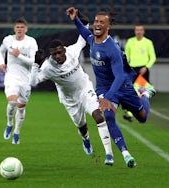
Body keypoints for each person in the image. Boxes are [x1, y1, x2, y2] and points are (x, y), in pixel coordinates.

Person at [66, 7, 156, 168]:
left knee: (142, 118)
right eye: (96, 21)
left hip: (123, 87)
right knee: (108, 117)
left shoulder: (112, 49)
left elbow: (120, 76)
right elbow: (83, 31)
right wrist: (75, 19)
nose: (97, 24)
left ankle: (145, 94)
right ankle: (126, 155)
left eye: (102, 22)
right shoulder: (92, 39)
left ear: (108, 26)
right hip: (104, 89)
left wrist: (108, 97)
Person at [30, 35, 114, 165]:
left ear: (64, 50)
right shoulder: (47, 67)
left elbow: (82, 39)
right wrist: (35, 64)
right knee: (81, 126)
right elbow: (33, 81)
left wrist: (83, 22)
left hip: (85, 90)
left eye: (59, 52)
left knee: (98, 116)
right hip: (70, 99)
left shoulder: (72, 51)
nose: (57, 56)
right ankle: (85, 139)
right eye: (54, 54)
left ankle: (109, 154)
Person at [0, 17, 38, 144]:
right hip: (11, 76)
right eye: (17, 27)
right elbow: (1, 50)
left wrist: (18, 55)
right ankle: (9, 124)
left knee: (21, 107)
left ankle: (17, 132)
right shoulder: (8, 40)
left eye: (22, 27)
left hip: (26, 79)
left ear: (26, 29)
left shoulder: (31, 42)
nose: (19, 29)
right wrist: (2, 62)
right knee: (12, 102)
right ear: (14, 28)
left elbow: (33, 61)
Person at [123, 24, 156, 122]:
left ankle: (143, 111)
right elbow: (126, 56)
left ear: (143, 31)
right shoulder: (130, 41)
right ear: (135, 31)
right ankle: (130, 113)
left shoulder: (148, 42)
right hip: (132, 70)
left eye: (140, 30)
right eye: (137, 30)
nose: (138, 32)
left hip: (143, 70)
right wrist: (127, 68)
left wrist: (146, 67)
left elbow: (153, 57)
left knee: (143, 92)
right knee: (132, 91)